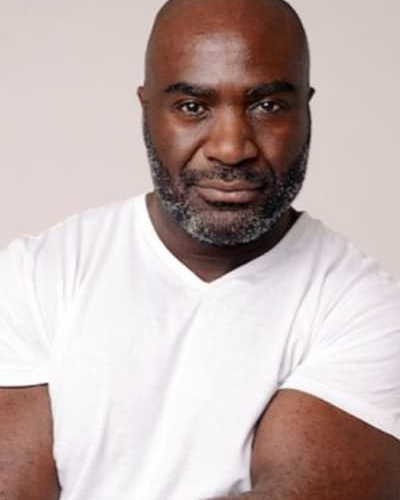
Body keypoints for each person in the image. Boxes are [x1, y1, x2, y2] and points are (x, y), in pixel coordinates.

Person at [1, 0, 399, 498]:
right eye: (193, 106)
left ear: (305, 110)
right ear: (147, 110)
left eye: (268, 105)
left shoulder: (367, 311)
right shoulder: (35, 276)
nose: (231, 148)